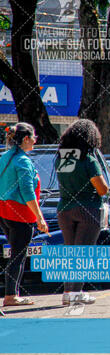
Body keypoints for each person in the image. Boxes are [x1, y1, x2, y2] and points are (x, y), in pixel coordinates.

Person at [55, 120, 109, 305]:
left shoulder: (63, 158)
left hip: (64, 210)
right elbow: (101, 189)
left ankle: (68, 292)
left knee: (71, 253)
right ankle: (76, 294)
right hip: (88, 210)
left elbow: (68, 183)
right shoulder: (88, 160)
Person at [0, 123, 48, 306]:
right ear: (26, 139)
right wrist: (39, 218)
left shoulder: (4, 158)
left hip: (4, 212)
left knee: (15, 253)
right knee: (18, 256)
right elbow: (28, 193)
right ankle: (11, 296)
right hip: (20, 215)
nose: (35, 140)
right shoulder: (23, 161)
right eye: (34, 137)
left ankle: (12, 294)